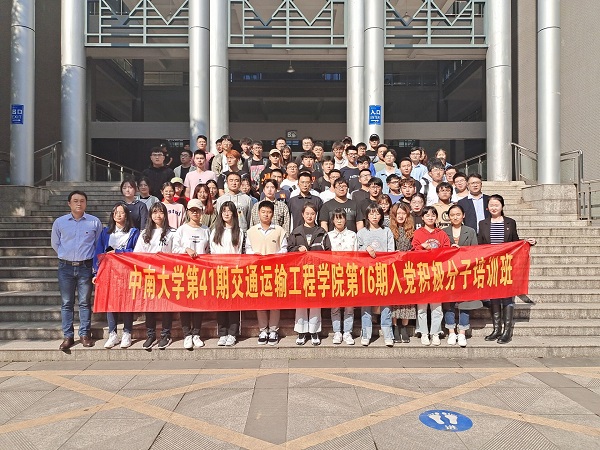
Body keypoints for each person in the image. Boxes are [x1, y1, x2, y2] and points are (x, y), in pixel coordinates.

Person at [477, 194, 536, 344]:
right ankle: (497, 329)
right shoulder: (483, 223)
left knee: (507, 296)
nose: (494, 207)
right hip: (491, 264)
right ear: (487, 207)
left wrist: (527, 242)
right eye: (491, 205)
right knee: (494, 296)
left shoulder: (510, 222)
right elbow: (480, 245)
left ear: (502, 206)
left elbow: (515, 242)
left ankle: (507, 331)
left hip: (507, 265)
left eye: (496, 205)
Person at [51, 191, 103, 350]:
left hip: (85, 267)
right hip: (65, 267)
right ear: (69, 203)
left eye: (82, 201)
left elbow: (98, 245)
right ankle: (68, 336)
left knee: (84, 302)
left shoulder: (94, 222)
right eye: (75, 201)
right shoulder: (60, 222)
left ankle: (85, 334)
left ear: (86, 203)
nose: (78, 204)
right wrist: (65, 255)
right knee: (66, 303)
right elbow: (55, 243)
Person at [93, 202, 140, 349]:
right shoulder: (106, 232)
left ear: (126, 215)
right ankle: (112, 334)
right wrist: (96, 272)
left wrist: (118, 252)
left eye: (121, 212)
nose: (118, 215)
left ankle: (127, 333)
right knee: (110, 302)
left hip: (127, 271)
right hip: (109, 272)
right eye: (116, 213)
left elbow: (136, 251)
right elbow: (98, 252)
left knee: (126, 302)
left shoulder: (133, 232)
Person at [133, 202, 176, 350]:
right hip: (149, 274)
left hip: (166, 275)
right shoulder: (145, 233)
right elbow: (138, 254)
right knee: (149, 305)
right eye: (155, 212)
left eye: (161, 212)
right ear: (150, 215)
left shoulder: (172, 233)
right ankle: (150, 334)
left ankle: (166, 334)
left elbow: (176, 253)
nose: (158, 215)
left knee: (166, 306)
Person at [288, 202, 332, 346]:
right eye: (307, 213)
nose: (309, 216)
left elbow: (328, 252)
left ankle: (314, 331)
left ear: (316, 215)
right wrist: (297, 249)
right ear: (302, 214)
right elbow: (288, 250)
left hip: (317, 272)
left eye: (312, 214)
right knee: (300, 302)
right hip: (300, 272)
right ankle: (301, 332)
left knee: (315, 303)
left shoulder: (321, 232)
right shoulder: (296, 232)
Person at [245, 201, 288, 345]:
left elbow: (284, 249)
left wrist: (274, 256)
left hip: (275, 271)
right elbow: (247, 249)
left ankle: (274, 330)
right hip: (257, 271)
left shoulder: (279, 230)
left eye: (269, 212)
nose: (266, 215)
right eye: (263, 212)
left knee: (275, 301)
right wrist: (254, 255)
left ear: (273, 214)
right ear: (258, 213)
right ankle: (263, 330)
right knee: (260, 301)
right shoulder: (251, 231)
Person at [173, 199, 211, 349]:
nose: (195, 213)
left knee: (198, 303)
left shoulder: (206, 229)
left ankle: (196, 333)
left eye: (198, 210)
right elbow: (174, 249)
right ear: (188, 212)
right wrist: (186, 250)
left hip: (201, 273)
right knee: (185, 303)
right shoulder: (181, 230)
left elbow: (209, 250)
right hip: (184, 271)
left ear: (202, 212)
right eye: (192, 210)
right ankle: (187, 334)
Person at [357, 202, 395, 347]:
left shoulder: (387, 231)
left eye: (377, 213)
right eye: (371, 213)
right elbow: (356, 251)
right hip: (366, 272)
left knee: (386, 304)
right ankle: (366, 334)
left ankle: (387, 334)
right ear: (367, 216)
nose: (374, 216)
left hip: (383, 271)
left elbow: (391, 251)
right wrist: (365, 248)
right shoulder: (361, 233)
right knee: (366, 303)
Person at [412, 206, 451, 346]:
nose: (430, 218)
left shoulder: (441, 233)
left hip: (437, 273)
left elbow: (447, 250)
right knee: (422, 306)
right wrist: (422, 247)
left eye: (433, 215)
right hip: (422, 273)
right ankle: (423, 332)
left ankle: (435, 332)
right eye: (427, 215)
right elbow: (413, 250)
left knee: (437, 306)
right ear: (422, 218)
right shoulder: (417, 233)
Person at [442, 204, 478, 347]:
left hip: (465, 272)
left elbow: (475, 251)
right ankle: (451, 331)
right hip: (449, 272)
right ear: (448, 217)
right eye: (452, 215)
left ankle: (462, 332)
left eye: (458, 214)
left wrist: (460, 250)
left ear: (463, 215)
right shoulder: (443, 232)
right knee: (448, 303)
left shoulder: (470, 231)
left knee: (465, 303)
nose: (455, 217)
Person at [210, 202, 244, 346]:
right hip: (219, 271)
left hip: (234, 272)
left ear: (234, 213)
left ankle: (233, 333)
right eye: (224, 211)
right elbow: (212, 251)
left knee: (233, 303)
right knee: (221, 304)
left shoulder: (239, 232)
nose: (226, 213)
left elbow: (239, 252)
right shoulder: (215, 231)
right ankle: (222, 333)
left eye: (229, 211)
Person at [327, 208, 358, 345]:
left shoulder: (352, 235)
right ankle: (337, 332)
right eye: (336, 218)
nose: (339, 221)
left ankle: (347, 332)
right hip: (334, 273)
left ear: (346, 219)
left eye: (341, 218)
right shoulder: (328, 236)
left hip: (349, 273)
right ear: (333, 220)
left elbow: (356, 254)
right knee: (335, 305)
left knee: (349, 305)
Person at [388, 202, 415, 343]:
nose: (401, 216)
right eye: (398, 213)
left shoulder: (412, 230)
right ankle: (395, 326)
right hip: (393, 268)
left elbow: (415, 247)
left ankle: (404, 326)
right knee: (394, 298)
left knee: (407, 298)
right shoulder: (389, 229)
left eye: (403, 213)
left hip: (408, 267)